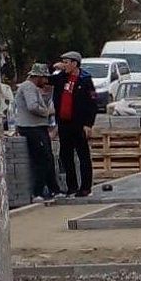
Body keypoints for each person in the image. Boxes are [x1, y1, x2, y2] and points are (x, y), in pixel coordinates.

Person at [49, 51, 99, 198]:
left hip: (79, 123)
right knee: (66, 155)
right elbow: (46, 79)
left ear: (74, 63)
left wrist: (89, 124)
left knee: (83, 155)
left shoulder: (85, 79)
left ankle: (85, 187)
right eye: (63, 62)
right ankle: (72, 187)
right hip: (64, 123)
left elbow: (92, 103)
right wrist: (53, 67)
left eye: (66, 62)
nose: (64, 65)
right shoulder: (61, 78)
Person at [14, 63, 61, 201]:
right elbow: (33, 106)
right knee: (41, 159)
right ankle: (37, 192)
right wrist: (47, 112)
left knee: (48, 158)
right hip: (31, 128)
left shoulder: (33, 88)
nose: (46, 81)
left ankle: (54, 189)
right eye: (44, 78)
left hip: (38, 127)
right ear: (38, 77)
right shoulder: (28, 87)